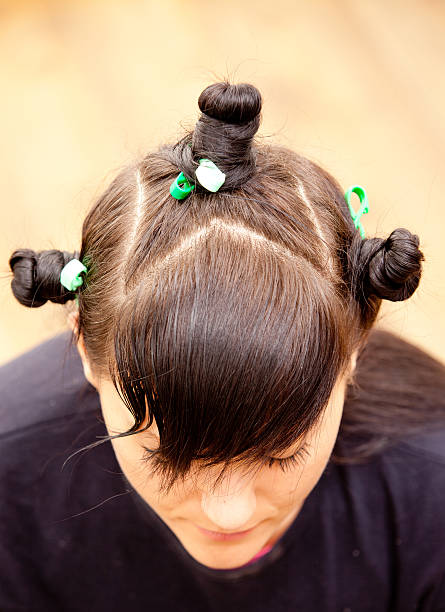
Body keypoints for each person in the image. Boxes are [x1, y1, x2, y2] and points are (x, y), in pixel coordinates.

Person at [1, 80, 445, 611]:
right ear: (84, 350)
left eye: (283, 450)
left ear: (354, 350)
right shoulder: (10, 478)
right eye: (165, 453)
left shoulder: (431, 494)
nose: (227, 514)